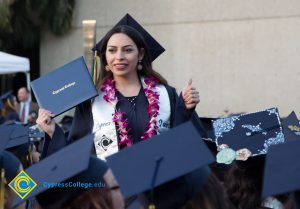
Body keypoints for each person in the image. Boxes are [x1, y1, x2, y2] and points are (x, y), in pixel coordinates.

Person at [37, 14, 206, 159]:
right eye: (112, 50)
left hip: (161, 188)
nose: (119, 57)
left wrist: (186, 109)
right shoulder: (92, 101)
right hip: (112, 191)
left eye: (127, 50)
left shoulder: (166, 95)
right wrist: (53, 131)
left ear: (140, 54)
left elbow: (185, 144)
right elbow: (77, 154)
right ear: (105, 58)